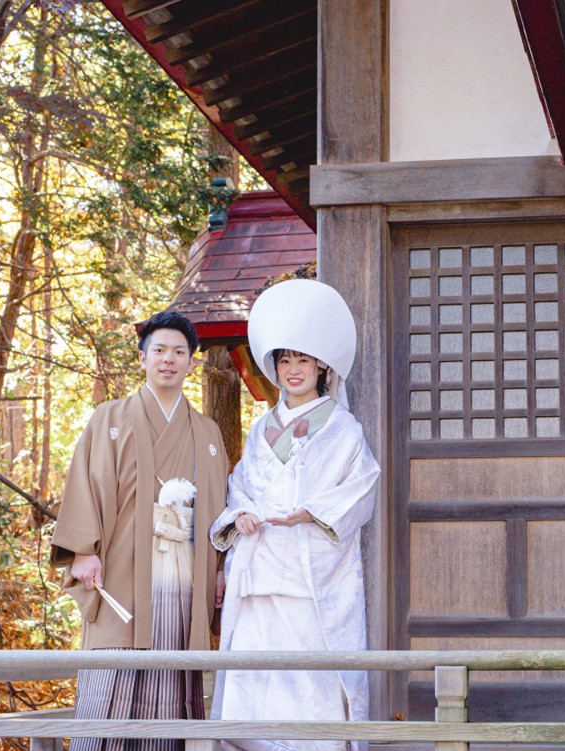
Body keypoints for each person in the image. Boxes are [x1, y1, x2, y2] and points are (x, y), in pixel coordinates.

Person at [209, 279, 381, 751]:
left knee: (308, 674)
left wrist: (312, 513)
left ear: (322, 365)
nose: (292, 370)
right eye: (284, 360)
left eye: (302, 359)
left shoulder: (345, 428)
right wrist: (241, 512)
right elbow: (241, 484)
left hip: (312, 575)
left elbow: (362, 485)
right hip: (261, 569)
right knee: (256, 673)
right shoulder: (262, 426)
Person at [51, 311, 228, 751]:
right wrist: (83, 550)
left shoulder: (207, 431)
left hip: (184, 573)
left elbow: (220, 508)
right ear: (143, 358)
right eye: (160, 350)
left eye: (179, 352)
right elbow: (86, 484)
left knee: (170, 680)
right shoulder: (109, 418)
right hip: (123, 568)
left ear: (192, 363)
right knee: (110, 674)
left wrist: (221, 567)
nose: (169, 360)